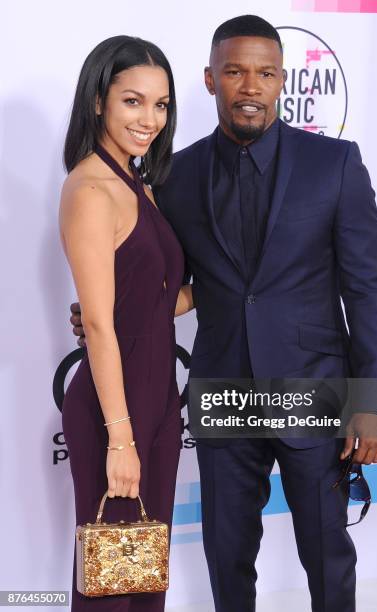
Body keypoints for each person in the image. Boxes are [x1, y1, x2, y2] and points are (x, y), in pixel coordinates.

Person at [70, 16, 377, 612]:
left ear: (281, 81)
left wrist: (370, 402)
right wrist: (105, 309)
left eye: (265, 73)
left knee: (327, 555)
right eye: (236, 72)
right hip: (218, 393)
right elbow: (172, 281)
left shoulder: (335, 164)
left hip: (312, 392)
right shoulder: (172, 175)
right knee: (222, 555)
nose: (251, 86)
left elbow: (367, 289)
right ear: (211, 79)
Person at [60, 35, 193, 612]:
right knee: (110, 582)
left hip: (158, 401)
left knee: (144, 579)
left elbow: (160, 302)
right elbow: (99, 324)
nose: (150, 119)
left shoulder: (139, 184)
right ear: (98, 100)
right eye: (133, 102)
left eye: (161, 105)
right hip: (116, 409)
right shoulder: (91, 188)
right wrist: (121, 438)